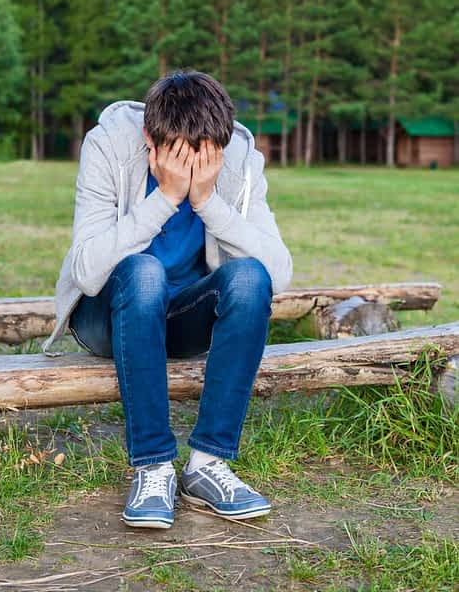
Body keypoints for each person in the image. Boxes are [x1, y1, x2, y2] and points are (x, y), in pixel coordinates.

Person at [42, 70, 293, 529]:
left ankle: (208, 464)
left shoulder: (236, 156)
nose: (195, 168)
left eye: (204, 159)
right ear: (149, 139)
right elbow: (86, 268)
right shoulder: (110, 145)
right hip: (111, 315)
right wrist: (166, 198)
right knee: (143, 272)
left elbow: (279, 273)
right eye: (180, 158)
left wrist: (204, 201)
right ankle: (153, 465)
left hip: (183, 317)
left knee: (250, 278)